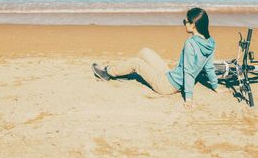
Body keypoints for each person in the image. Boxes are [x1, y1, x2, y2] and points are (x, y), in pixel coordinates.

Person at [92, 7, 225, 109]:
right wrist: (215, 86)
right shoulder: (210, 42)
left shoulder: (191, 43)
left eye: (185, 21)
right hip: (170, 75)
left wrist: (188, 98)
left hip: (167, 85)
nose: (184, 23)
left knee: (136, 62)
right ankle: (125, 71)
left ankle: (107, 72)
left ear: (193, 25)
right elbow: (209, 67)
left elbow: (189, 71)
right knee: (145, 51)